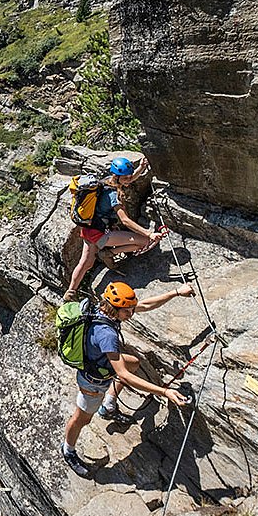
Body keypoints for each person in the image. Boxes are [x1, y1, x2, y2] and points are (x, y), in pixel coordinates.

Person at [61, 280, 194, 477]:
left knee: (133, 362)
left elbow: (146, 305)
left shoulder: (103, 309)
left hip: (100, 363)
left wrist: (176, 292)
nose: (131, 314)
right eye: (127, 311)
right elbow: (123, 375)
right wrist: (165, 392)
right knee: (81, 419)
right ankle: (68, 451)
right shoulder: (107, 335)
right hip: (92, 382)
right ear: (116, 309)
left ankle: (108, 405)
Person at [63, 156, 161, 302]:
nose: (128, 179)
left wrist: (141, 168)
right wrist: (149, 233)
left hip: (90, 229)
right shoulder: (113, 195)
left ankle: (70, 292)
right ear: (118, 176)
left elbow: (130, 179)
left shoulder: (107, 181)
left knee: (86, 264)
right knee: (144, 241)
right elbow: (125, 220)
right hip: (100, 234)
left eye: (129, 176)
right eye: (125, 177)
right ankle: (108, 253)